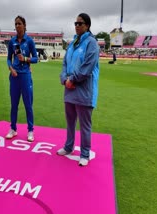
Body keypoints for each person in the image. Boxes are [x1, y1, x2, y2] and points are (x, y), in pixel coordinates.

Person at [57, 13, 99, 167]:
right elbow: (64, 64)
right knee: (70, 122)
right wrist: (64, 79)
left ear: (87, 25)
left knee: (85, 124)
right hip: (69, 89)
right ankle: (68, 147)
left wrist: (71, 79)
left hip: (84, 90)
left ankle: (85, 153)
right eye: (75, 23)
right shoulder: (72, 43)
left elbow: (87, 67)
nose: (77, 26)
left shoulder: (91, 43)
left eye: (80, 23)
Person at [6, 15, 38, 142]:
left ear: (24, 25)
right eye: (15, 24)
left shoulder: (29, 41)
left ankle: (30, 130)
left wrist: (25, 59)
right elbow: (9, 58)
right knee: (14, 105)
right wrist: (11, 68)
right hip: (14, 76)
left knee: (28, 105)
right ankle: (13, 129)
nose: (17, 26)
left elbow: (36, 58)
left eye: (19, 23)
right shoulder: (12, 41)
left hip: (25, 76)